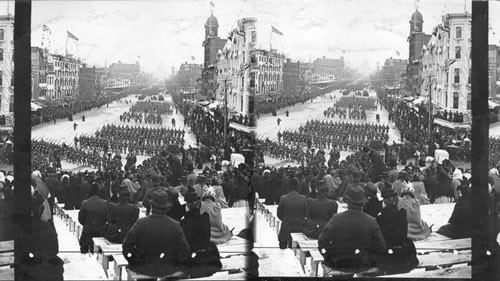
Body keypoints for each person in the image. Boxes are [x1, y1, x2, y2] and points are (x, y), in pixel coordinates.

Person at [318, 184, 386, 273]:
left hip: (339, 263)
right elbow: (381, 247)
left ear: (348, 202)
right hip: (363, 263)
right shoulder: (371, 221)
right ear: (363, 203)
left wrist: (328, 256)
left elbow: (322, 241)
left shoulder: (336, 219)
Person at [123, 189, 190, 278]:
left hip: (143, 268)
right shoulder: (175, 225)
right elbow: (185, 250)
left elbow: (127, 245)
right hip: (167, 268)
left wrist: (135, 262)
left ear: (151, 206)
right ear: (167, 208)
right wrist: (174, 263)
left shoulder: (141, 223)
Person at [18, 190, 64, 281]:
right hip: (47, 266)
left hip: (35, 265)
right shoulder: (48, 226)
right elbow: (55, 248)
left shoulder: (27, 227)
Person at [376, 188, 418, 275]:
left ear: (384, 200)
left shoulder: (380, 217)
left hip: (388, 251)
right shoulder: (402, 214)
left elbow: (381, 236)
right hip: (404, 251)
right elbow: (404, 233)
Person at [181, 191, 222, 278]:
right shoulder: (205, 217)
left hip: (192, 255)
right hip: (207, 252)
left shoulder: (184, 222)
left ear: (187, 205)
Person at [277, 177, 306, 249]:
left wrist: (286, 219)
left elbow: (279, 214)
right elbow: (307, 214)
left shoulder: (283, 198)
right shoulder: (304, 198)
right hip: (300, 228)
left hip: (286, 228)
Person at [78, 183, 108, 254]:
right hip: (101, 231)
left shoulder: (84, 203)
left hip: (87, 232)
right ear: (99, 191)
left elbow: (80, 219)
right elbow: (108, 218)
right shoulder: (105, 203)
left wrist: (87, 224)